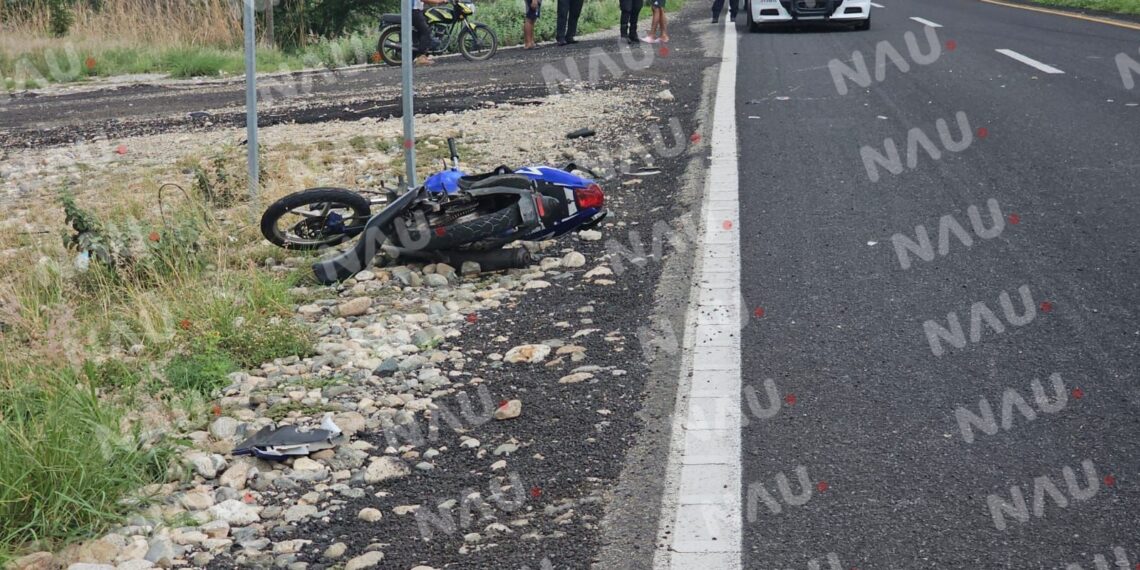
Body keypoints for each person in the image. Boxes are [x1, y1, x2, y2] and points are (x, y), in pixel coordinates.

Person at [412, 0, 447, 65]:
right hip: (414, 11)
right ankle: (421, 57)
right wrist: (439, 1)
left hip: (417, 11)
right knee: (426, 32)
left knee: (424, 29)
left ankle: (424, 54)